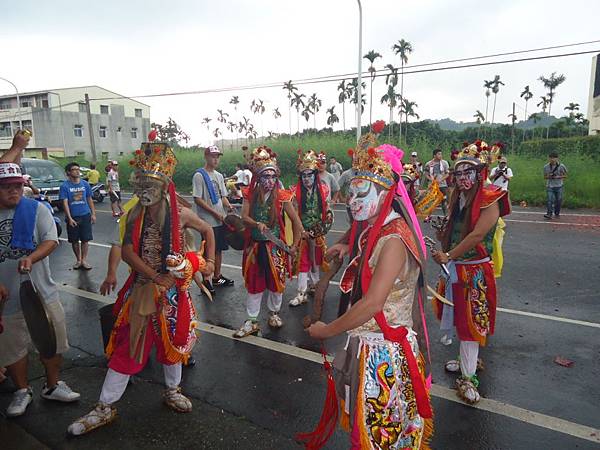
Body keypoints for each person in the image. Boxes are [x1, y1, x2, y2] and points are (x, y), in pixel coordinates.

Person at [67, 140, 215, 436]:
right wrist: (154, 276)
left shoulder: (180, 213)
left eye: (152, 184)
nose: (146, 190)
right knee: (128, 345)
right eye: (142, 183)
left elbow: (208, 230)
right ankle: (104, 407)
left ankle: (172, 390)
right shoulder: (136, 213)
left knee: (174, 344)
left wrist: (208, 264)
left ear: (163, 186)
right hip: (144, 290)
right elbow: (127, 252)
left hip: (174, 294)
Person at [304, 126, 433, 449]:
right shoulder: (377, 228)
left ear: (387, 193)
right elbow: (364, 238)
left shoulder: (392, 239)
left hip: (385, 354)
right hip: (369, 345)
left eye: (362, 193)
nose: (352, 201)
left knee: (381, 436)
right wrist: (348, 245)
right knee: (371, 430)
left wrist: (327, 330)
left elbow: (374, 303)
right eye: (351, 193)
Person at [431, 140, 510, 404]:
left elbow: (477, 234)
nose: (463, 178)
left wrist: (449, 255)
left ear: (480, 172)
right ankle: (467, 360)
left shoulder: (490, 197)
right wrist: (441, 238)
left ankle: (468, 378)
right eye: (459, 173)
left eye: (468, 173)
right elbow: (452, 233)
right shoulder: (457, 197)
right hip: (457, 268)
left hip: (474, 270)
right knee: (458, 319)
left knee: (471, 324)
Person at [0, 161, 80, 418]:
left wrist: (32, 257)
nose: (14, 191)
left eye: (17, 186)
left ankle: (53, 384)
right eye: (6, 187)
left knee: (52, 341)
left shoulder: (36, 209)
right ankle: (22, 390)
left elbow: (51, 240)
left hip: (42, 291)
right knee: (13, 347)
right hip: (7, 297)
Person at [233, 146, 302, 338]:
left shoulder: (282, 197)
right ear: (258, 177)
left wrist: (294, 246)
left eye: (273, 176)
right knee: (254, 283)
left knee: (276, 283)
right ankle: (252, 320)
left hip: (275, 248)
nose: (269, 180)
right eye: (265, 176)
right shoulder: (250, 194)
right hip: (255, 246)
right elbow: (243, 217)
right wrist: (257, 223)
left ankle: (273, 313)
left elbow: (297, 223)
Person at [289, 150, 332, 307]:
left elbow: (327, 211)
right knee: (303, 262)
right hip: (303, 234)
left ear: (315, 174)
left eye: (309, 174)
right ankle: (301, 293)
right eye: (304, 175)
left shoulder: (324, 189)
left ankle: (315, 286)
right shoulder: (294, 192)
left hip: (318, 233)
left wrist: (323, 224)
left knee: (316, 261)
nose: (307, 178)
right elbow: (293, 216)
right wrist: (301, 232)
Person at [193, 145, 236, 295]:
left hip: (220, 219)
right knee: (207, 252)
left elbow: (222, 196)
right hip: (207, 222)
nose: (216, 159)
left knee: (219, 250)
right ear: (206, 157)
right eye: (213, 156)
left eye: (218, 156)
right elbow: (198, 199)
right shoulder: (199, 175)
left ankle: (217, 277)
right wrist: (214, 212)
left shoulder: (218, 175)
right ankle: (206, 280)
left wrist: (228, 206)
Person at [59, 162, 96, 270]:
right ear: (68, 173)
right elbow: (65, 203)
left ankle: (84, 260)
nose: (77, 171)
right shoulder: (65, 186)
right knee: (74, 240)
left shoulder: (85, 184)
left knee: (85, 239)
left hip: (85, 215)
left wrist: (93, 214)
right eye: (74, 169)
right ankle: (78, 260)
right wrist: (69, 218)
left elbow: (89, 199)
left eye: (78, 169)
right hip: (73, 216)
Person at [543, 151, 567, 220]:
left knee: (559, 200)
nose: (552, 159)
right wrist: (550, 176)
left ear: (557, 158)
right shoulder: (546, 167)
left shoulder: (561, 166)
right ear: (549, 158)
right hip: (550, 186)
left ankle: (557, 213)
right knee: (550, 200)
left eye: (554, 158)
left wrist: (558, 177)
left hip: (559, 185)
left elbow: (566, 175)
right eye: (551, 158)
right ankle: (549, 214)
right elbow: (544, 177)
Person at [425, 148, 449, 215]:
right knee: (431, 201)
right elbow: (426, 174)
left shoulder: (444, 163)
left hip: (442, 185)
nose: (440, 155)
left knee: (444, 201)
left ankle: (446, 215)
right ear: (434, 155)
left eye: (441, 154)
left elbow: (447, 174)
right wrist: (431, 179)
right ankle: (428, 216)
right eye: (439, 154)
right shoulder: (428, 164)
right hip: (432, 185)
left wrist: (441, 179)